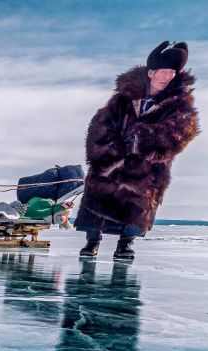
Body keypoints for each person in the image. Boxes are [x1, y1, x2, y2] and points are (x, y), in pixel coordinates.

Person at [74, 41, 200, 261]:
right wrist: (110, 151)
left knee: (136, 206)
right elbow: (100, 124)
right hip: (113, 163)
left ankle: (125, 245)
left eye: (171, 72)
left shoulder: (180, 104)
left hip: (147, 169)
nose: (167, 77)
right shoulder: (123, 98)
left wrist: (141, 139)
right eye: (163, 71)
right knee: (99, 198)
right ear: (151, 72)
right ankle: (91, 241)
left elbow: (181, 131)